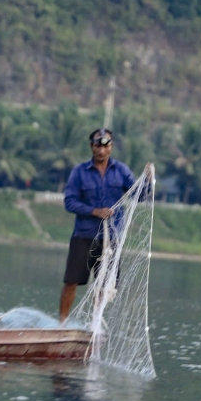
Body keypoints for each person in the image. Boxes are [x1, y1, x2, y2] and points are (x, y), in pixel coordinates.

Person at [59, 128, 135, 321]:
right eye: (97, 146)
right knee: (71, 281)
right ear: (91, 146)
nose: (101, 151)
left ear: (111, 147)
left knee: (104, 285)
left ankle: (95, 322)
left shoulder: (121, 171)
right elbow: (69, 202)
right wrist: (94, 211)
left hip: (111, 237)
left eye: (106, 146)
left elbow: (138, 194)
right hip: (84, 235)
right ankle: (61, 323)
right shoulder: (79, 172)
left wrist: (149, 181)